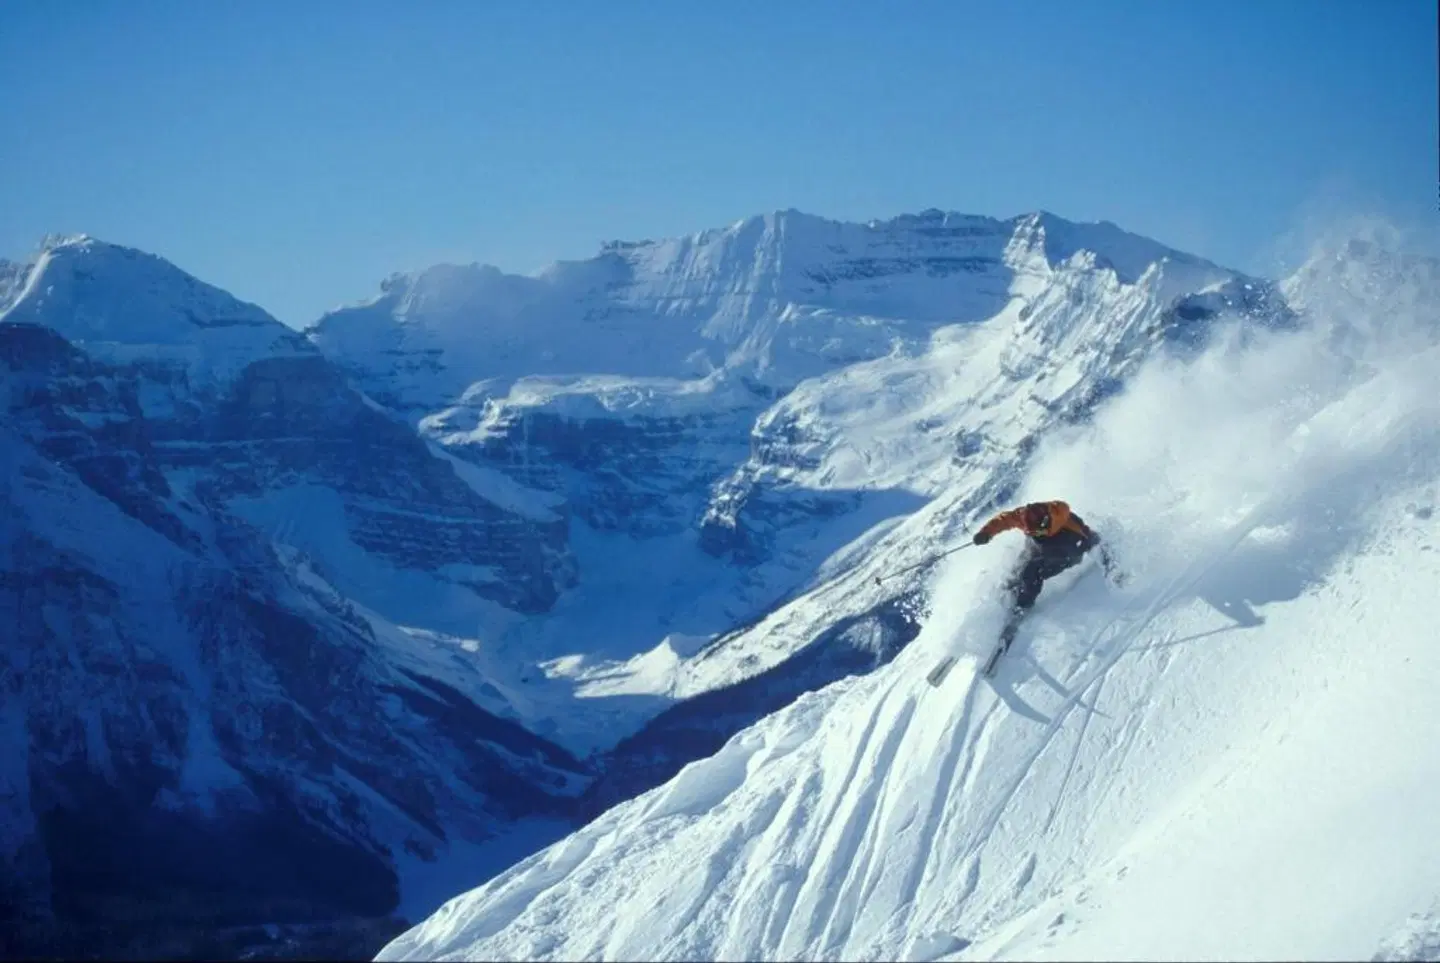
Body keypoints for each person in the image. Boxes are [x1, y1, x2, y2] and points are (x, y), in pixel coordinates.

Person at [972, 499, 1121, 652]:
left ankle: (1022, 607)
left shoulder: (1070, 526)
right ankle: (1004, 598)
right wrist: (986, 533)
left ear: (1046, 522)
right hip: (1036, 550)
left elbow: (1096, 541)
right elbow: (1004, 519)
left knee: (1032, 572)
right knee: (1016, 572)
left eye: (1037, 531)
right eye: (1030, 531)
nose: (1033, 533)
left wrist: (1112, 568)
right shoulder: (1025, 516)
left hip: (1065, 554)